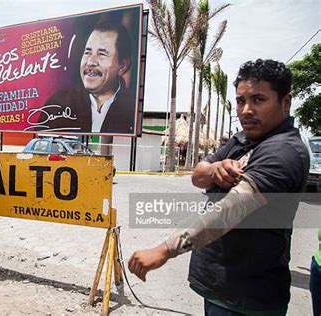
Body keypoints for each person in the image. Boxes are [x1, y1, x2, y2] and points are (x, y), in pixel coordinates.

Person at [128, 59, 310, 315]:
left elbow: (227, 212)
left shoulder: (283, 151)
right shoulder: (243, 138)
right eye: (240, 101)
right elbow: (198, 175)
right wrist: (215, 169)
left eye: (258, 100)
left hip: (248, 297)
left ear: (286, 102)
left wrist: (165, 249)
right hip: (219, 287)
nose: (246, 110)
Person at [35, 21, 137, 134]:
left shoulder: (132, 108)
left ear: (123, 65)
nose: (90, 62)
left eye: (102, 54)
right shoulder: (59, 102)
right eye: (87, 52)